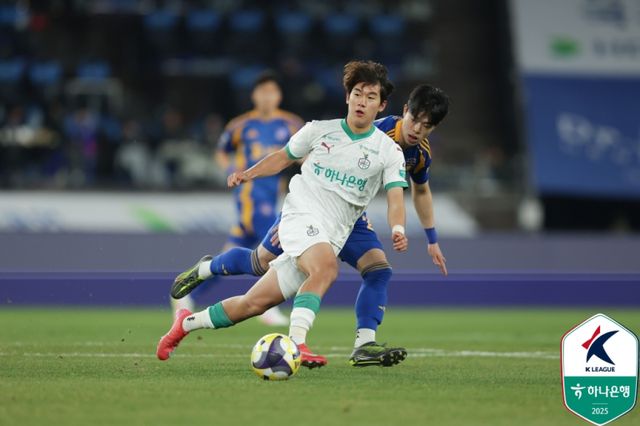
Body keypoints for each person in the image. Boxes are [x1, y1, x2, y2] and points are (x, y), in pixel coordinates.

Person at [171, 84, 450, 367]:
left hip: (350, 220)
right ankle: (208, 267)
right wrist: (286, 211)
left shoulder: (419, 154)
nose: (417, 129)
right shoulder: (374, 131)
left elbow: (420, 191)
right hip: (311, 212)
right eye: (415, 120)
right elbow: (305, 156)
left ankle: (364, 345)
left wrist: (431, 239)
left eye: (426, 126)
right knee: (260, 262)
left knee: (379, 271)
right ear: (405, 111)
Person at [172, 71, 303, 326]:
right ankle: (267, 306)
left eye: (272, 92)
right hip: (250, 196)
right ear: (254, 95)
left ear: (279, 96)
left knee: (228, 258)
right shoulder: (241, 125)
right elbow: (221, 151)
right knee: (276, 249)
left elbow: (301, 152)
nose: (267, 97)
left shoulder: (291, 124)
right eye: (262, 92)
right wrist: (230, 169)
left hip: (271, 196)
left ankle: (189, 295)